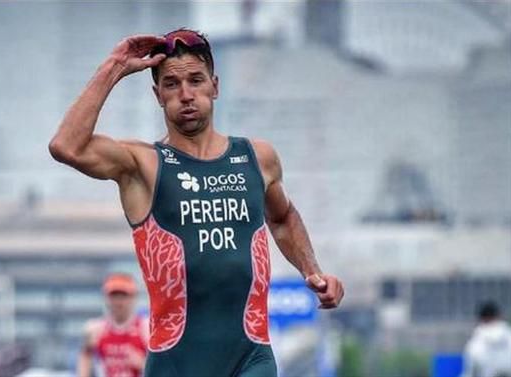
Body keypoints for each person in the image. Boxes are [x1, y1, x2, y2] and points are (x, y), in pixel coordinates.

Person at [50, 28, 344, 377]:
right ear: (158, 95)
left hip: (250, 357)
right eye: (172, 84)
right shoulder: (143, 164)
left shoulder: (257, 157)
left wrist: (313, 271)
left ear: (214, 86)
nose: (186, 94)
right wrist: (114, 67)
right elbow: (67, 146)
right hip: (176, 362)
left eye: (195, 80)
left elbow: (282, 219)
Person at [79, 273, 148, 377]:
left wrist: (142, 363)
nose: (118, 302)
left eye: (123, 296)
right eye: (114, 296)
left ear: (134, 298)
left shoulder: (145, 327)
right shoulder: (95, 329)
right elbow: (85, 358)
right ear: (107, 299)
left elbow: (162, 365)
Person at [461, 301, 511, 377]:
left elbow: (470, 372)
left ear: (480, 318)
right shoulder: (508, 334)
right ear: (499, 315)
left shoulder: (476, 342)